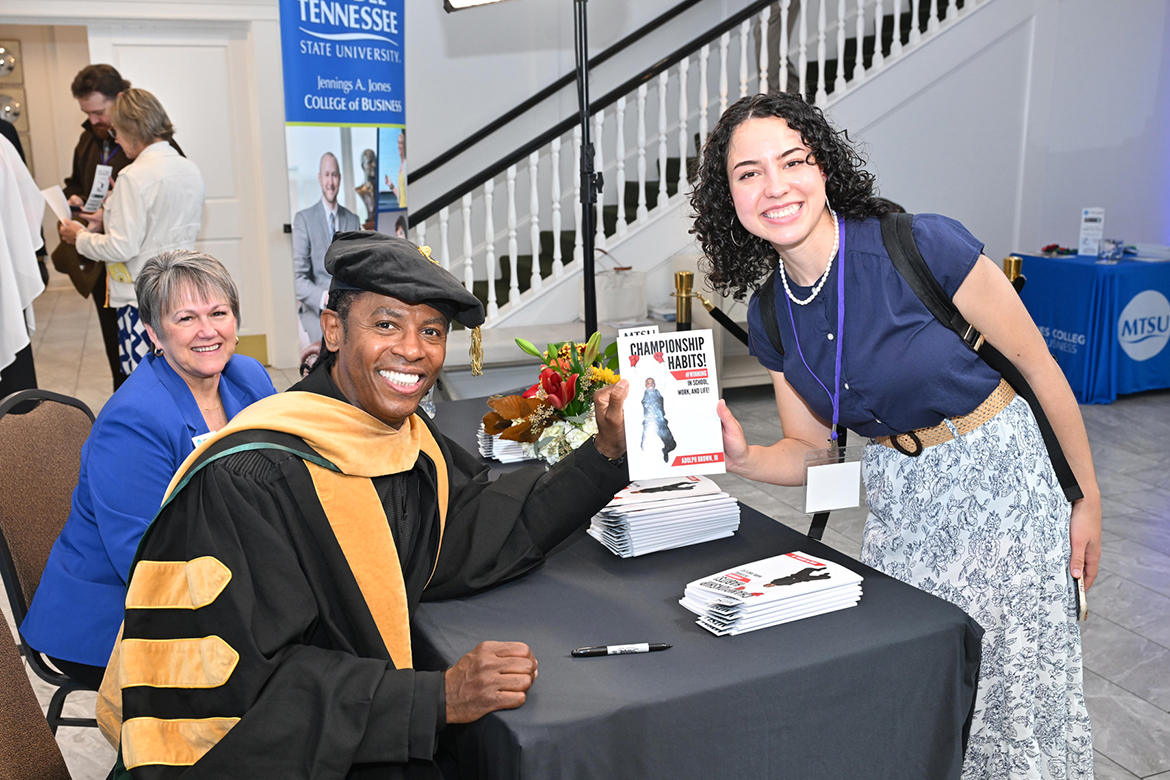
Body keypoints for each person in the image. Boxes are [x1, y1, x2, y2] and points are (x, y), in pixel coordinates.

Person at [96, 232, 631, 778]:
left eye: (431, 331)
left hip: (358, 721)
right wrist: (437, 697)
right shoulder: (251, 478)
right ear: (333, 330)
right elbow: (249, 693)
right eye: (385, 324)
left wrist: (604, 456)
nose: (412, 349)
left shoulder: (401, 437)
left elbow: (469, 528)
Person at [691, 92, 1099, 779]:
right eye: (749, 173)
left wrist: (1085, 501)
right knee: (927, 697)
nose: (776, 186)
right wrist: (742, 458)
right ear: (728, 197)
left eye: (793, 160)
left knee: (1015, 699)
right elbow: (813, 450)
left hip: (1005, 491)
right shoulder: (770, 314)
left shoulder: (919, 245)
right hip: (902, 509)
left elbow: (1039, 369)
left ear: (825, 168)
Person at [21, 250, 275, 690]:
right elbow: (145, 560)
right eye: (186, 319)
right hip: (114, 615)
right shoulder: (134, 420)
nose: (208, 331)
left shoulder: (246, 377)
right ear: (154, 333)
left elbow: (281, 479)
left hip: (216, 575)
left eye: (219, 313)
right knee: (278, 676)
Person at [58, 88, 204, 378]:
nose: (116, 139)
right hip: (181, 291)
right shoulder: (189, 168)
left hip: (140, 298)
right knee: (181, 375)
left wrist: (80, 237)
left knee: (143, 381)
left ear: (132, 130)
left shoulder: (133, 176)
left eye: (117, 131)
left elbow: (121, 248)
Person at [292, 152, 360, 344]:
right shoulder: (303, 220)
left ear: (339, 179)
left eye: (335, 175)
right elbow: (297, 280)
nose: (331, 182)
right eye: (327, 175)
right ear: (320, 178)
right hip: (316, 310)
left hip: (348, 308)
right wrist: (325, 298)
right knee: (325, 358)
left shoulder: (353, 220)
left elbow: (357, 270)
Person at [640, 377, 676, 462]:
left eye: (652, 383)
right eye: (648, 383)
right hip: (650, 423)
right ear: (645, 385)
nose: (650, 385)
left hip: (660, 422)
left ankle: (666, 450)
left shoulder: (658, 393)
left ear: (655, 384)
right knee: (645, 446)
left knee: (672, 444)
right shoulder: (644, 395)